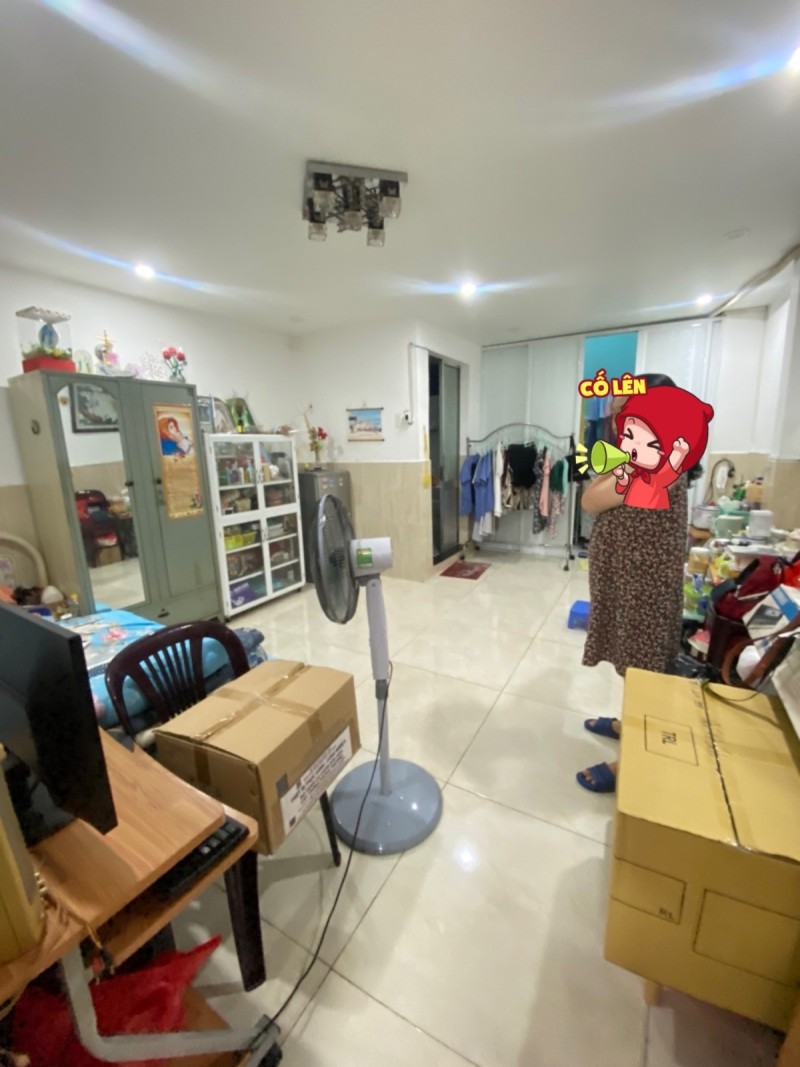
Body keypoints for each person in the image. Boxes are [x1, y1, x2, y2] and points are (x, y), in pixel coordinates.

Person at [576, 373, 704, 793]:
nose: (618, 422)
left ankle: (633, 759)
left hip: (644, 589)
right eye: (617, 413)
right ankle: (626, 724)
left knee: (644, 670)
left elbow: (591, 499)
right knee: (633, 663)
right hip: (629, 583)